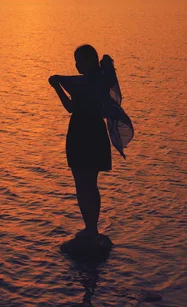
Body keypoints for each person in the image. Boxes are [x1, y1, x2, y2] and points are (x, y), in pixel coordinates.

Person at [49, 45, 130, 239]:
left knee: (81, 184)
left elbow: (70, 107)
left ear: (88, 61)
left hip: (81, 133)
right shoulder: (101, 80)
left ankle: (90, 229)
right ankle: (92, 228)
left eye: (78, 61)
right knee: (91, 185)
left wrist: (57, 87)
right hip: (96, 133)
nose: (76, 65)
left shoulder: (83, 84)